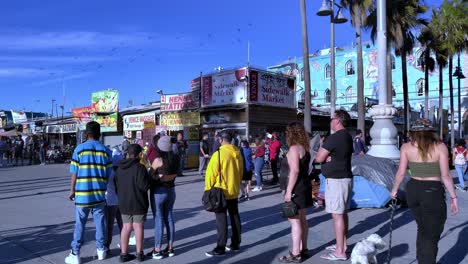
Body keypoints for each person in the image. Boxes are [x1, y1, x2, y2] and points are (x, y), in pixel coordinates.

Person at [391, 121, 458, 264]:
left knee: (422, 228)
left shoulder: (406, 147)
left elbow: (401, 172)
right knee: (431, 233)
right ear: (431, 132)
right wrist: (454, 197)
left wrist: (394, 190)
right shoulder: (440, 147)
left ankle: (423, 260)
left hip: (413, 189)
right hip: (432, 190)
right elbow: (446, 176)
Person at [65, 121, 113, 264]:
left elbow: (74, 172)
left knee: (80, 224)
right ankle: (101, 250)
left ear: (86, 134)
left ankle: (76, 253)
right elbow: (109, 173)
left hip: (82, 195)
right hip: (99, 194)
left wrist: (72, 190)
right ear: (100, 134)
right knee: (100, 223)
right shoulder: (106, 150)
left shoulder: (79, 149)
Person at [315, 110, 354, 261]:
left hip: (336, 181)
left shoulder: (334, 137)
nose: (330, 121)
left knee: (337, 215)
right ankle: (342, 245)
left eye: (332, 119)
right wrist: (329, 157)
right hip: (345, 178)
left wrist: (325, 157)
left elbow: (319, 158)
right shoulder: (347, 136)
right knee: (343, 213)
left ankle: (340, 251)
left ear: (337, 120)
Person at [205, 132, 243, 257]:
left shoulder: (219, 154)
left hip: (221, 191)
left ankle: (220, 247)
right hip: (234, 189)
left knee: (221, 220)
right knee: (234, 216)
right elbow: (240, 172)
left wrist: (208, 190)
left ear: (221, 139)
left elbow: (211, 174)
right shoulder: (237, 152)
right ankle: (235, 243)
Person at [279, 122, 312, 263]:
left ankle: (295, 253)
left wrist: (288, 191)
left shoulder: (293, 148)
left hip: (296, 188)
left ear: (291, 133)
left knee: (294, 221)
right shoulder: (305, 148)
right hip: (304, 186)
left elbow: (295, 170)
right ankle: (303, 249)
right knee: (302, 219)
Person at [114, 144, 150, 262]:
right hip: (138, 201)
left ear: (128, 154)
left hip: (123, 202)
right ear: (139, 154)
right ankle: (139, 253)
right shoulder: (140, 168)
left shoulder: (119, 168)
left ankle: (123, 254)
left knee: (126, 227)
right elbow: (144, 187)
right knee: (138, 226)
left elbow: (116, 186)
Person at [148, 136, 180, 259]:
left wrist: (153, 171)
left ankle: (157, 249)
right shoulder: (176, 158)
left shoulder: (158, 160)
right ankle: (170, 247)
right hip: (171, 190)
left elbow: (151, 176)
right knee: (169, 217)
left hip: (159, 192)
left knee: (159, 219)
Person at [104, 147, 124, 252]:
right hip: (122, 201)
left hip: (110, 201)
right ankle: (123, 244)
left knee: (109, 226)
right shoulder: (123, 171)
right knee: (122, 224)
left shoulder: (109, 171)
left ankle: (107, 246)